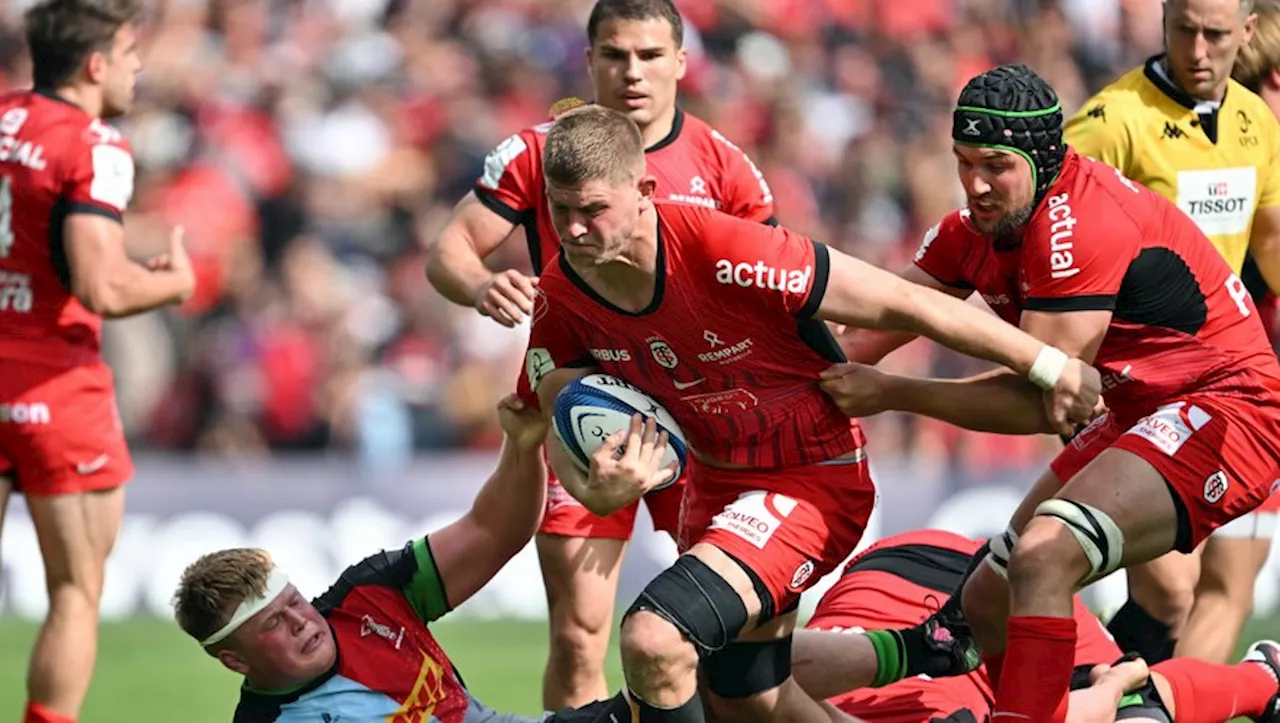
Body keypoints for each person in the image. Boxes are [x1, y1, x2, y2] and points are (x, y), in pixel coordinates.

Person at [525, 105, 1101, 722]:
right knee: (748, 700)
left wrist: (1049, 364)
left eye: (593, 210)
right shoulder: (561, 294)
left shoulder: (722, 247)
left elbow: (908, 303)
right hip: (715, 485)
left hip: (810, 478)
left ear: (644, 192)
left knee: (655, 639)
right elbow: (558, 409)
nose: (576, 230)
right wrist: (593, 486)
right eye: (562, 212)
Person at [824, 64, 1280, 722]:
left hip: (1227, 406)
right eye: (964, 162)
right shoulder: (972, 229)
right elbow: (873, 324)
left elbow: (1047, 399)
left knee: (1045, 556)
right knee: (984, 606)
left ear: (1041, 158)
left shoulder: (1076, 225)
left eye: (996, 166)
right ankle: (1252, 683)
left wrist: (894, 392)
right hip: (1137, 409)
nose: (976, 185)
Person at [423, 0, 775, 708]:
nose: (632, 72)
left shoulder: (723, 166)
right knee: (581, 634)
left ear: (681, 62)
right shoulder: (539, 151)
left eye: (649, 56)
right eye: (614, 55)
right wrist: (483, 284)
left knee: (721, 633)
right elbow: (449, 251)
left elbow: (771, 292)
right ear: (589, 62)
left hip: (699, 418)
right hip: (581, 411)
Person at [173, 395, 642, 723]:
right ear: (235, 661)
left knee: (665, 678)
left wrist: (521, 443)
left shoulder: (367, 595)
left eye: (293, 600)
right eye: (272, 624)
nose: (299, 620)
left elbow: (493, 531)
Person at [1061, 0, 1280, 664]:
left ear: (1243, 34)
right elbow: (1036, 240)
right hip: (1138, 389)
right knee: (1172, 590)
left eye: (1216, 35)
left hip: (1237, 388)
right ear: (1162, 22)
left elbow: (1269, 242)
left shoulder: (1254, 122)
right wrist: (1058, 358)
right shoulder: (1109, 124)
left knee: (1226, 586)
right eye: (1185, 30)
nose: (1200, 49)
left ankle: (1151, 706)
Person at [0, 2, 197, 722]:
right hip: (54, 382)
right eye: (128, 51)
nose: (138, 65)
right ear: (94, 65)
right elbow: (102, 286)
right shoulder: (93, 144)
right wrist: (173, 282)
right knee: (75, 590)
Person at [782, 529, 1280, 722]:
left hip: (929, 583)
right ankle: (1267, 674)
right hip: (898, 568)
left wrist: (1119, 683)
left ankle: (1264, 678)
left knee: (1132, 704)